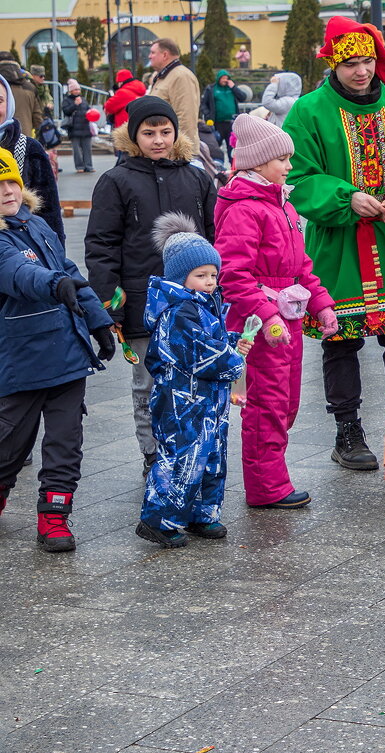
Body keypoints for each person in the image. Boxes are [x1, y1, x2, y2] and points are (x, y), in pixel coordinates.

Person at [282, 17, 385, 471]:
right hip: (337, 246)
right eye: (351, 62)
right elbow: (296, 178)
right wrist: (346, 198)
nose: (362, 70)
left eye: (368, 60)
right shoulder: (307, 112)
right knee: (339, 341)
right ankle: (348, 431)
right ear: (333, 64)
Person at [85, 97, 217, 476]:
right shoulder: (116, 181)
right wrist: (110, 304)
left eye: (165, 132)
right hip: (141, 301)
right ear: (134, 134)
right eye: (149, 133)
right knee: (148, 383)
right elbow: (102, 246)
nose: (158, 140)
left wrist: (216, 287)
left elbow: (213, 234)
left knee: (193, 378)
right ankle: (152, 453)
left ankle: (192, 449)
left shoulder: (196, 177)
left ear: (176, 133)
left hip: (193, 301)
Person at [214, 114, 338, 509]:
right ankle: (267, 486)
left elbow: (301, 265)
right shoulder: (244, 208)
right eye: (283, 159)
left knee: (286, 401)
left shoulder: (280, 204)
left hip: (288, 320)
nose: (289, 166)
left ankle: (271, 474)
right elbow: (233, 275)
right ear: (257, 163)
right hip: (259, 324)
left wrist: (321, 302)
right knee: (266, 403)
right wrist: (266, 315)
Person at [0, 148, 114, 552]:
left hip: (67, 355)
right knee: (9, 444)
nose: (7, 191)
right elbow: (17, 272)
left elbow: (70, 273)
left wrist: (99, 322)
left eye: (11, 181)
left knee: (66, 442)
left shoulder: (38, 225)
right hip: (23, 360)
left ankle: (54, 515)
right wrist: (53, 283)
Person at [137, 214, 252, 548]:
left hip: (207, 400)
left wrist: (231, 340)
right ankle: (158, 519)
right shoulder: (177, 311)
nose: (210, 281)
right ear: (180, 276)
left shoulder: (202, 304)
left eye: (213, 275)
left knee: (211, 453)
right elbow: (198, 352)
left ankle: (202, 513)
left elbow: (211, 339)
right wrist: (232, 360)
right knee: (182, 458)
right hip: (181, 402)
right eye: (200, 275)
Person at [0, 74, 63, 241]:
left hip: (23, 256)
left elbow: (49, 213)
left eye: (0, 101)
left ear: (9, 104)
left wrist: (55, 258)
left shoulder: (29, 148)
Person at [148, 39, 202, 148]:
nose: (149, 56)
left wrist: (181, 153)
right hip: (162, 147)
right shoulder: (164, 76)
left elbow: (186, 117)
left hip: (173, 152)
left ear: (165, 55)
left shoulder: (181, 76)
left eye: (153, 52)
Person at [200, 70, 249, 161]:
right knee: (215, 147)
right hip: (217, 123)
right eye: (223, 78)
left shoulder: (231, 88)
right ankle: (215, 166)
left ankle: (233, 167)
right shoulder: (211, 89)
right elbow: (203, 104)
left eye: (227, 78)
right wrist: (208, 116)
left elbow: (243, 97)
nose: (225, 80)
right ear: (218, 78)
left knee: (232, 148)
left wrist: (233, 87)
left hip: (231, 123)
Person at [0, 61, 40, 137]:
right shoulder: (30, 88)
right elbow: (37, 116)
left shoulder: (3, 88)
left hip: (4, 137)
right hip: (24, 135)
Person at [62, 80, 94, 173]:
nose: (77, 91)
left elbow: (88, 110)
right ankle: (79, 166)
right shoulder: (66, 100)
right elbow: (66, 111)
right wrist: (75, 104)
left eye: (78, 89)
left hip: (85, 127)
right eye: (75, 89)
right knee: (77, 150)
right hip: (74, 129)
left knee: (87, 149)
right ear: (70, 91)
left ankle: (89, 166)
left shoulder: (83, 99)